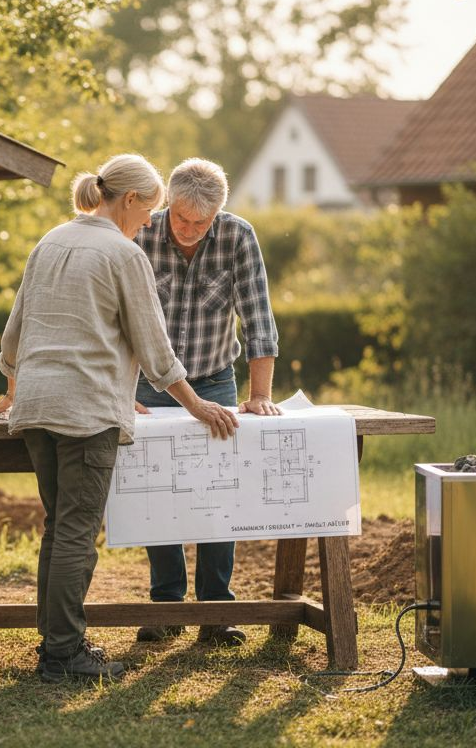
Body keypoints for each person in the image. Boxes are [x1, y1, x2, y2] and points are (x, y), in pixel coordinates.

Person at [0, 154, 238, 683]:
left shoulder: (49, 241)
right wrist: (198, 404)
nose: (149, 222)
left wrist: (12, 389)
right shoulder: (124, 255)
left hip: (36, 407)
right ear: (127, 200)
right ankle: (63, 656)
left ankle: (57, 645)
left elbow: (13, 336)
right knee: (77, 533)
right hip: (86, 411)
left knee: (60, 529)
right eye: (147, 210)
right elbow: (154, 348)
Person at [133, 158, 281, 647]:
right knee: (160, 491)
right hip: (150, 382)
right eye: (182, 219)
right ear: (168, 205)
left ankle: (216, 611)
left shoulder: (238, 236)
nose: (190, 230)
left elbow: (258, 319)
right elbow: (115, 319)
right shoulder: (141, 232)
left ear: (219, 214)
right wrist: (118, 388)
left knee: (218, 493)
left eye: (202, 222)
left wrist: (259, 395)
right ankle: (167, 605)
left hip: (215, 378)